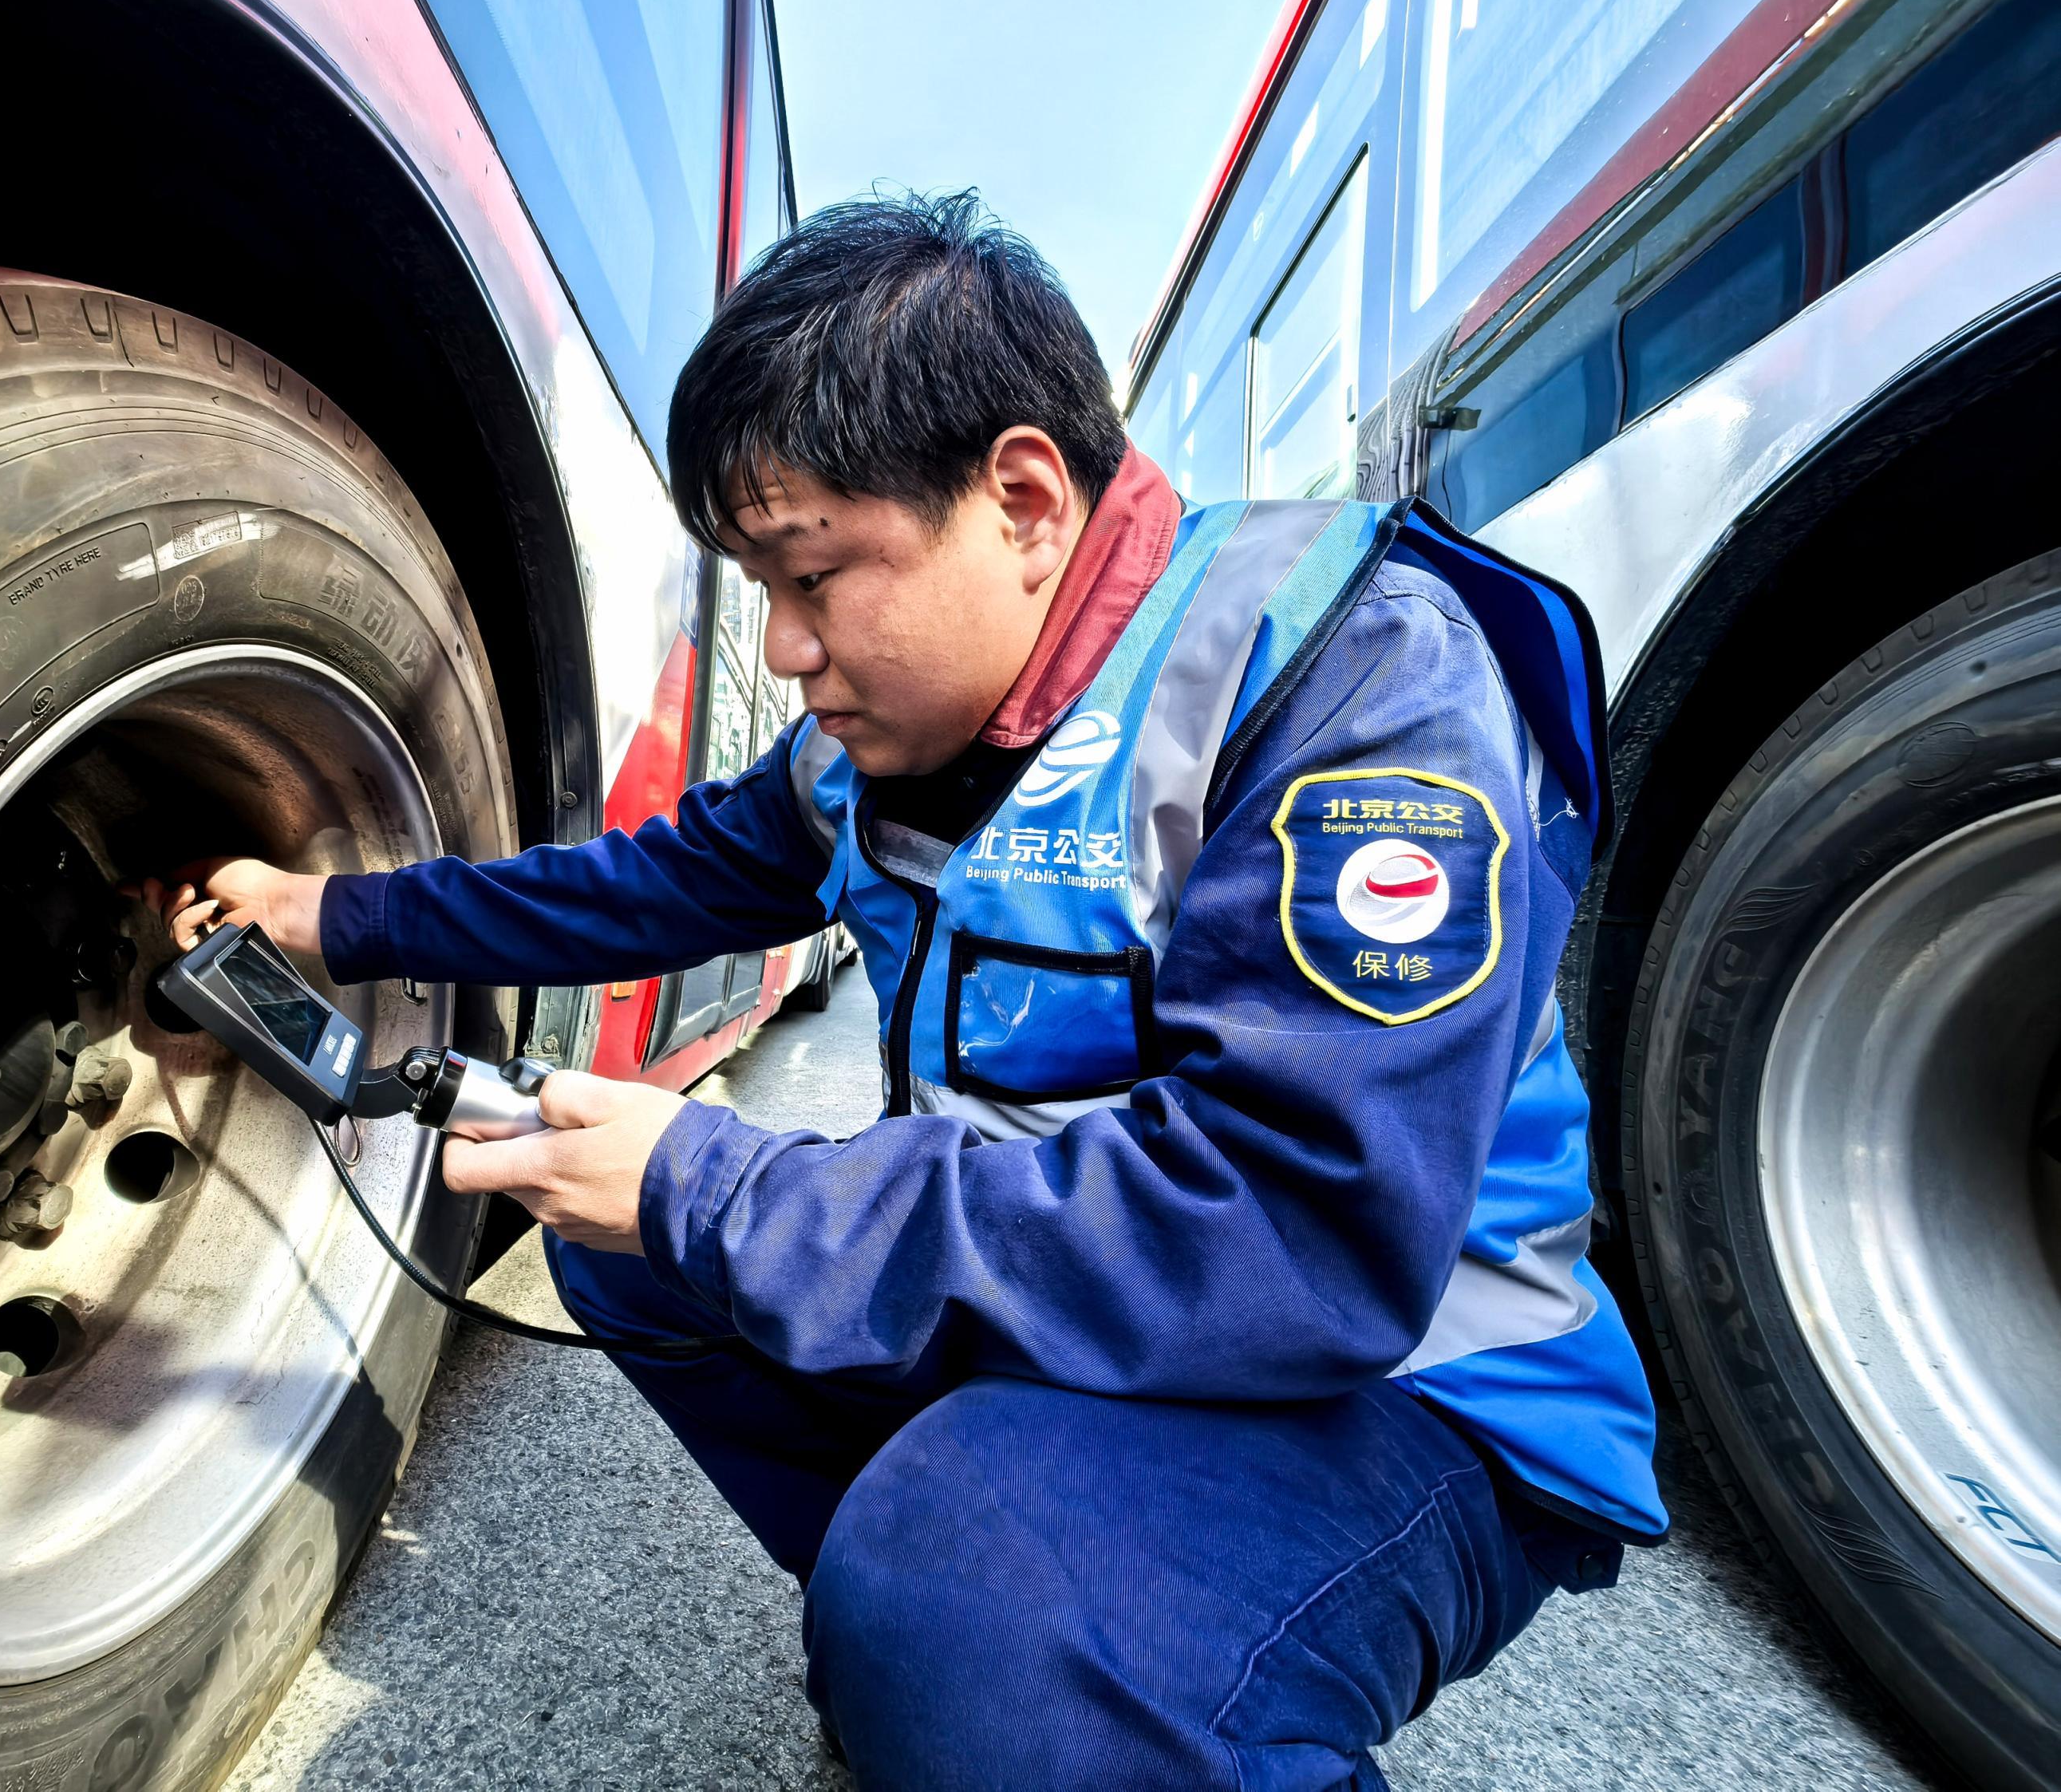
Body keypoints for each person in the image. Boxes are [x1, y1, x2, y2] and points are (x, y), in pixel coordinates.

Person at [145, 191, 1664, 1789]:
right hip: (1127, 1313)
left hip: (1412, 1385)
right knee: (638, 1253)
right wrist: (338, 912)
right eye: (759, 592)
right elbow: (633, 886)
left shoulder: (1348, 681)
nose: (789, 650)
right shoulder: (864, 749)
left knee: (959, 1582)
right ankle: (960, 1650)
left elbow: (1301, 1231)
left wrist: (720, 1181)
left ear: (1019, 498)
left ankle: (1026, 1649)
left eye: (814, 575)